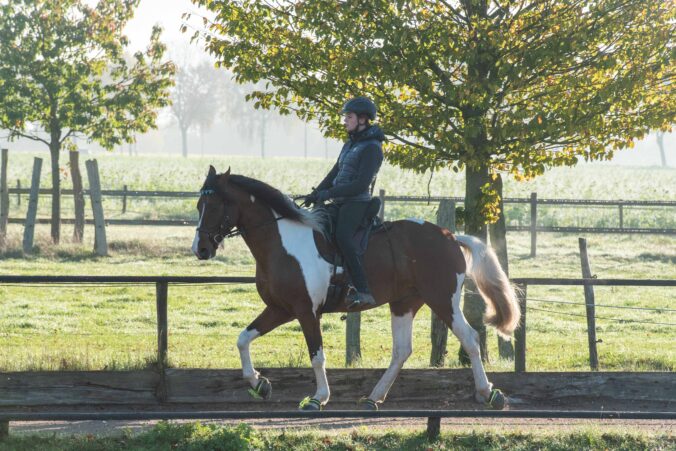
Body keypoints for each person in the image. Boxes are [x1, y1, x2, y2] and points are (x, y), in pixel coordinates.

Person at [304, 96, 385, 309]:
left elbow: (360, 185)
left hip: (357, 203)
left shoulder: (372, 148)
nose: (345, 121)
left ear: (362, 119)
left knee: (343, 237)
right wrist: (316, 193)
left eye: (348, 117)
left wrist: (329, 192)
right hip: (340, 201)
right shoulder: (350, 144)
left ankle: (363, 290)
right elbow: (335, 172)